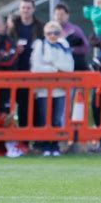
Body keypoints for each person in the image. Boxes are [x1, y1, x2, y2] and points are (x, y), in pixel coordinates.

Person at [30, 21, 74, 156]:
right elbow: (36, 68)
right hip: (43, 90)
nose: (53, 35)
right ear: (45, 34)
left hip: (60, 89)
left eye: (56, 33)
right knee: (45, 119)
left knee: (56, 119)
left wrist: (50, 65)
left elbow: (69, 68)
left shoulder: (64, 46)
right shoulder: (40, 45)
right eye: (49, 33)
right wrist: (56, 69)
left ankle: (54, 146)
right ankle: (45, 146)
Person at [8, 0, 44, 128]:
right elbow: (7, 44)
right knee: (21, 104)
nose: (26, 10)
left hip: (35, 70)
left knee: (36, 105)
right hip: (17, 70)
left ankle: (36, 138)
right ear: (19, 9)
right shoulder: (13, 26)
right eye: (23, 7)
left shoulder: (40, 26)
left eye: (28, 8)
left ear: (33, 9)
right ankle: (23, 139)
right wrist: (15, 49)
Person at [0, 16, 20, 158]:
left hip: (8, 87)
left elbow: (10, 60)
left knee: (8, 114)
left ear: (5, 26)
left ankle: (10, 145)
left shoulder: (10, 42)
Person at [53, 3, 89, 70]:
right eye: (57, 14)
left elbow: (85, 48)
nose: (59, 17)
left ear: (67, 15)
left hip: (74, 66)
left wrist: (70, 50)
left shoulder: (75, 30)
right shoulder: (50, 31)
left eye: (62, 14)